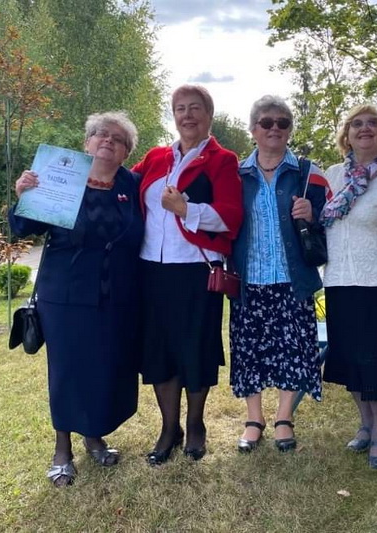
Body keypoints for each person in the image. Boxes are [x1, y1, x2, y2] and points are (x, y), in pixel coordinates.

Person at [9, 111, 143, 487]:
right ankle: (62, 449)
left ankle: (95, 435)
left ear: (125, 152)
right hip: (65, 295)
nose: (108, 141)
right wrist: (24, 195)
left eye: (117, 139)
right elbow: (24, 227)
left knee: (104, 368)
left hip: (117, 295)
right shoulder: (59, 179)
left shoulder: (131, 185)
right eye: (100, 134)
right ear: (87, 143)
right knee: (68, 370)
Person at [132, 85, 243, 465]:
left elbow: (231, 215)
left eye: (195, 108)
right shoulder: (155, 157)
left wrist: (187, 209)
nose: (187, 115)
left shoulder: (222, 159)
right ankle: (169, 428)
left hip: (197, 270)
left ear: (209, 115)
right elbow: (121, 186)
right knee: (159, 349)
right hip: (151, 269)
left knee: (195, 348)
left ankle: (196, 425)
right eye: (180, 109)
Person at [230, 95, 328, 453]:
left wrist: (312, 215)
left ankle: (284, 417)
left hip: (292, 278)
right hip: (249, 277)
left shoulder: (307, 172)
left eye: (282, 123)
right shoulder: (237, 174)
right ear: (253, 129)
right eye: (266, 122)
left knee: (295, 349)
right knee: (250, 349)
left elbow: (330, 220)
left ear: (289, 130)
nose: (274, 129)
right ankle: (253, 418)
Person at [320, 105, 377, 470]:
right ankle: (364, 423)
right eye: (356, 124)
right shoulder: (330, 176)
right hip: (340, 281)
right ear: (346, 135)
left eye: (373, 123)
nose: (364, 129)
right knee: (351, 362)